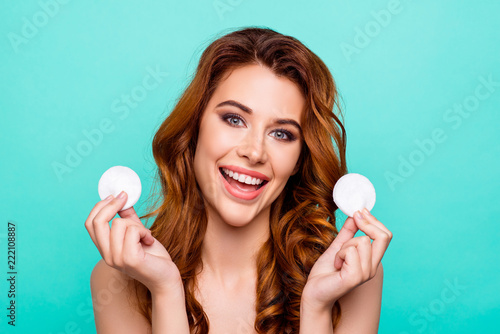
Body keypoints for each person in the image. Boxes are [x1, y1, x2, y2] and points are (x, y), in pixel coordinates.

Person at [85, 26, 393, 334]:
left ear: (299, 158)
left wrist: (317, 307)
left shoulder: (353, 276)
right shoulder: (118, 279)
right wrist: (165, 289)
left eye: (282, 133)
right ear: (195, 128)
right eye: (234, 119)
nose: (254, 151)